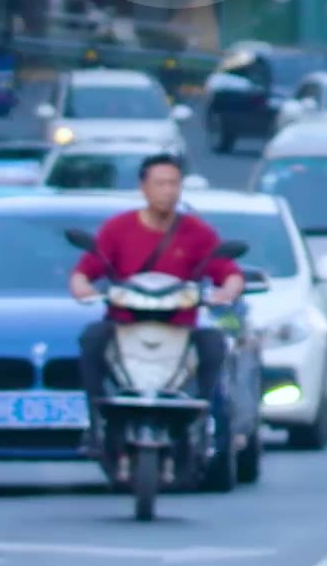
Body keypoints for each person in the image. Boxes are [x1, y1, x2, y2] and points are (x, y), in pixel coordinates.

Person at [70, 154, 245, 453]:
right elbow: (85, 271)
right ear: (144, 188)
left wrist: (226, 292)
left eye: (174, 184)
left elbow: (228, 273)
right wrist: (83, 288)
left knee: (215, 344)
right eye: (160, 183)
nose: (168, 191)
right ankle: (97, 418)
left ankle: (205, 419)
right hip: (124, 323)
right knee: (91, 339)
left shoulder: (197, 233)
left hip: (181, 326)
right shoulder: (117, 229)